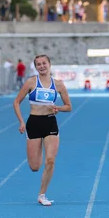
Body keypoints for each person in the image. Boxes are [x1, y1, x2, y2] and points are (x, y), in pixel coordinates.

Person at [13, 55, 72, 206]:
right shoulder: (31, 82)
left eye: (44, 63)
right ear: (35, 67)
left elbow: (68, 106)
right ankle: (39, 179)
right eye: (38, 64)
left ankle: (42, 194)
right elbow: (16, 102)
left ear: (50, 64)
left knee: (50, 160)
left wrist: (58, 108)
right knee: (35, 167)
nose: (41, 66)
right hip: (33, 123)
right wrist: (21, 122)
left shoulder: (58, 84)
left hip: (50, 123)